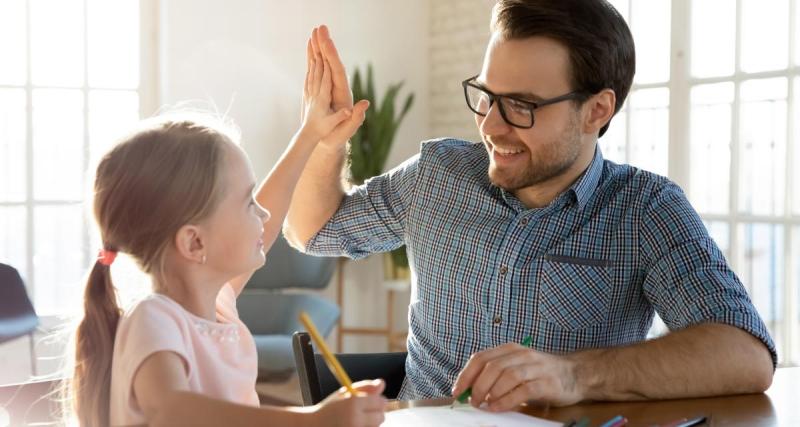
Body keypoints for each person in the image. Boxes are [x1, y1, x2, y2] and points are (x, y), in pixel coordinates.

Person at [284, 1, 776, 412]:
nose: (492, 125)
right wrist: (326, 144)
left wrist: (572, 375)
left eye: (522, 105)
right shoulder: (436, 175)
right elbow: (313, 230)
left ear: (597, 110)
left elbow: (746, 355)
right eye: (486, 96)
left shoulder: (645, 210)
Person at [67, 34, 385, 427]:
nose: (264, 216)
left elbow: (270, 208)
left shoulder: (216, 306)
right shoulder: (154, 319)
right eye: (247, 203)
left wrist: (310, 134)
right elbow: (172, 411)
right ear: (194, 242)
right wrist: (313, 420)